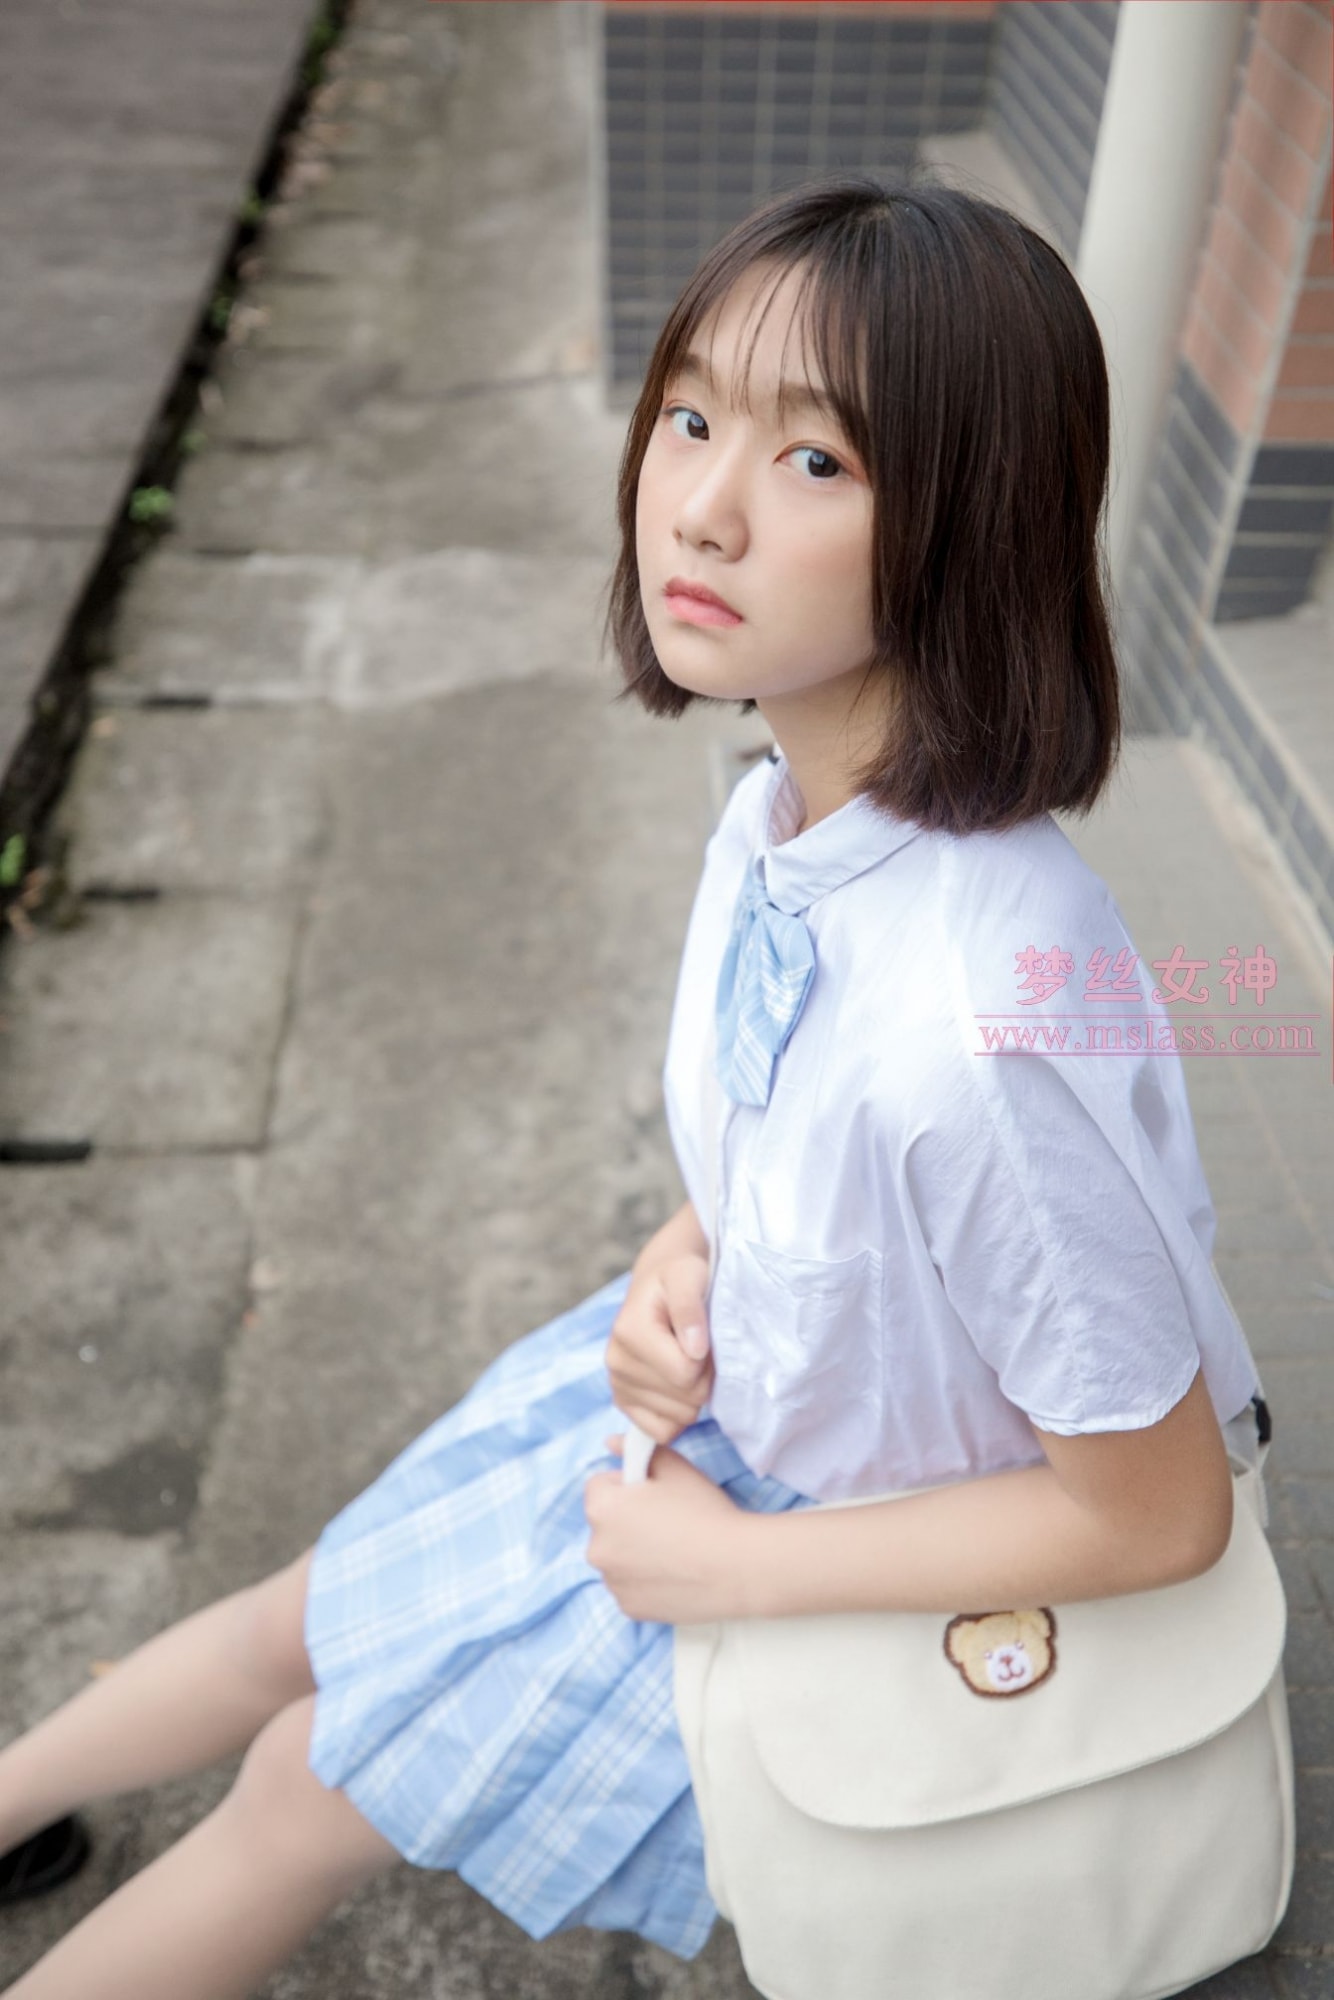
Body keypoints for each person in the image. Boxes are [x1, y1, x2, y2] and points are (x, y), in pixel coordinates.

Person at [0, 177, 1265, 1999]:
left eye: (812, 460)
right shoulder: (784, 814)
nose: (703, 506)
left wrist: (725, 1573)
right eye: (687, 417)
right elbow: (803, 1128)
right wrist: (691, 1246)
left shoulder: (981, 1030)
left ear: (967, 525)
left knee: (301, 1778)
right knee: (314, 1616)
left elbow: (1156, 1511)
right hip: (737, 1405)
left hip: (832, 1541)